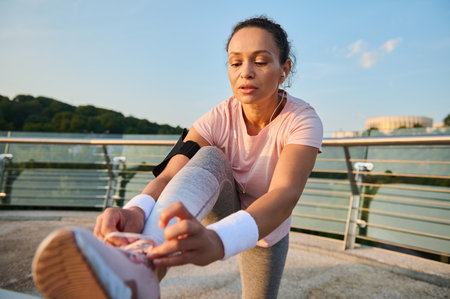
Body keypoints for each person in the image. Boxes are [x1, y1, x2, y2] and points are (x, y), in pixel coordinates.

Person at [32, 16, 323, 299]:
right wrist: (136, 210)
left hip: (267, 228)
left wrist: (218, 241)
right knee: (208, 156)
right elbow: (172, 173)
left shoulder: (302, 120)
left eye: (260, 61)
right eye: (236, 63)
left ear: (284, 70)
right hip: (222, 205)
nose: (245, 72)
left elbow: (285, 194)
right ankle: (142, 261)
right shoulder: (220, 115)